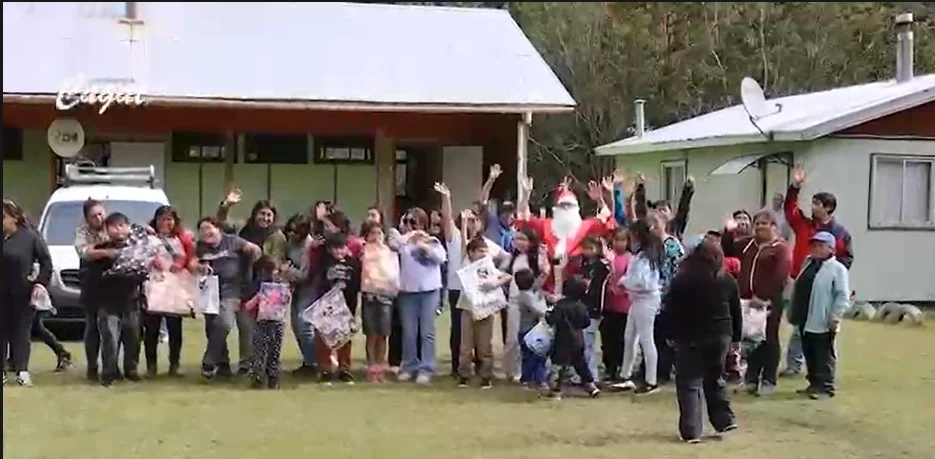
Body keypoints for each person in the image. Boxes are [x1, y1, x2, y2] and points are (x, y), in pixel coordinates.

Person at [665, 240, 741, 443]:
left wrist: (670, 334)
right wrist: (736, 339)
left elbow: (671, 309)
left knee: (689, 382)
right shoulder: (726, 280)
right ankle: (724, 419)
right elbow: (736, 312)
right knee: (714, 377)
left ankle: (691, 430)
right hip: (720, 335)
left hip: (690, 336)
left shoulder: (682, 280)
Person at [782, 164, 854, 377]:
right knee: (798, 325)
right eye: (813, 203)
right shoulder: (805, 225)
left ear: (828, 208)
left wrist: (832, 276)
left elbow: (846, 257)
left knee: (823, 332)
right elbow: (790, 211)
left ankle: (825, 372)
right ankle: (794, 365)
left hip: (824, 286)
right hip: (802, 280)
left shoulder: (840, 233)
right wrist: (795, 187)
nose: (813, 207)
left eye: (817, 204)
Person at [434, 183, 506, 378]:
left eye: (475, 220)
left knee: (483, 334)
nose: (473, 222)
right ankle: (458, 368)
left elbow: (506, 257)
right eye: (469, 220)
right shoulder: (455, 237)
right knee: (459, 331)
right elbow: (447, 219)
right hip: (459, 290)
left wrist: (498, 275)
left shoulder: (485, 244)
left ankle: (482, 369)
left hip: (482, 292)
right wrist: (447, 198)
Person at [721, 209, 791, 395]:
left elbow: (781, 275)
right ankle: (752, 378)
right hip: (747, 299)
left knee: (769, 339)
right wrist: (728, 231)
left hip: (769, 301)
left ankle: (769, 380)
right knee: (752, 340)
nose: (760, 227)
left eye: (764, 224)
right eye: (757, 223)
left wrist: (765, 296)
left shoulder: (780, 248)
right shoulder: (749, 244)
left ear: (773, 227)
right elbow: (728, 249)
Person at [514, 175, 614, 291]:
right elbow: (524, 218)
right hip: (550, 287)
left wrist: (600, 200)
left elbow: (607, 219)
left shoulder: (586, 226)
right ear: (556, 209)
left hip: (577, 288)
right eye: (563, 206)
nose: (566, 209)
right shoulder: (546, 225)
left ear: (576, 209)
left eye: (569, 206)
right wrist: (526, 196)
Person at [85, 213, 147, 387]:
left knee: (133, 337)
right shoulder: (100, 250)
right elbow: (92, 276)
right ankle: (109, 373)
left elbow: (144, 273)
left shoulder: (138, 248)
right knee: (110, 339)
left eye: (122, 225)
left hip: (131, 301)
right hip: (108, 303)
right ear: (107, 229)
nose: (118, 229)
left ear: (128, 228)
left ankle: (131, 370)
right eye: (113, 226)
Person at [196, 216, 262, 380]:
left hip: (234, 291)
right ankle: (222, 365)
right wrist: (201, 266)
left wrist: (253, 251)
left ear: (218, 228)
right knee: (213, 327)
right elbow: (195, 262)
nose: (206, 232)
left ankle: (215, 361)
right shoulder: (201, 247)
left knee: (230, 324)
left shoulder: (233, 241)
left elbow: (255, 251)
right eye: (202, 230)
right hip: (210, 292)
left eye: (209, 228)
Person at [788, 232, 850, 400]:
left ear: (831, 249)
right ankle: (814, 383)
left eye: (821, 245)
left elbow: (842, 295)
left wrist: (835, 316)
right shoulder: (808, 263)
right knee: (809, 352)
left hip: (823, 319)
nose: (816, 248)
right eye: (814, 245)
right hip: (805, 316)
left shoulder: (838, 269)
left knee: (823, 354)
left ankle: (825, 387)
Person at [2, 199, 52, 387]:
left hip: (22, 293)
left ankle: (22, 371)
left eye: (4, 217)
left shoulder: (30, 237)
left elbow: (46, 262)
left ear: (14, 218)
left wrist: (40, 283)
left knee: (21, 333)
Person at [144, 205, 196, 378]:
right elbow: (140, 256)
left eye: (169, 219)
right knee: (152, 327)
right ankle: (151, 366)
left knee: (175, 327)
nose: (166, 223)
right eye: (162, 219)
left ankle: (175, 365)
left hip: (174, 286)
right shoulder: (148, 238)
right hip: (154, 285)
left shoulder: (181, 238)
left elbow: (189, 257)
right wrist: (152, 261)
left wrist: (180, 264)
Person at [396, 208, 447, 384]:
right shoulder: (403, 242)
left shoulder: (432, 241)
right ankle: (409, 366)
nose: (412, 225)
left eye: (415, 221)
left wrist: (422, 244)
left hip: (429, 291)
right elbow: (393, 243)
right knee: (409, 332)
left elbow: (441, 258)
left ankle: (426, 368)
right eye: (409, 221)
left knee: (427, 332)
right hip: (407, 291)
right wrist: (406, 235)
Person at [617, 219, 664, 395]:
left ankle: (651, 381)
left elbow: (644, 283)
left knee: (646, 339)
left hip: (646, 300)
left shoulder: (647, 257)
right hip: (637, 300)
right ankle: (625, 375)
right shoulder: (642, 255)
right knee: (629, 337)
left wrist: (624, 282)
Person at [457, 238, 512, 389]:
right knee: (466, 346)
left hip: (486, 309)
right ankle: (464, 375)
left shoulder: (488, 267)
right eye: (480, 251)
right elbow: (463, 248)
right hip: (468, 309)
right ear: (471, 253)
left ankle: (486, 376)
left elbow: (506, 276)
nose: (483, 254)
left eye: (485, 251)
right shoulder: (466, 265)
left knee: (485, 345)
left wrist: (495, 283)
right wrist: (464, 223)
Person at [502, 227, 551, 382]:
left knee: (530, 338)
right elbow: (503, 272)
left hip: (531, 301)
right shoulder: (512, 257)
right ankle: (512, 371)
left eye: (523, 239)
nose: (519, 242)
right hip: (513, 300)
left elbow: (543, 275)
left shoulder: (536, 257)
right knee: (512, 339)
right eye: (516, 239)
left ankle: (530, 373)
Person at [542, 277, 600, 400]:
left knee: (558, 366)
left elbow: (552, 320)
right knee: (581, 364)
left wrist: (548, 314)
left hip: (563, 341)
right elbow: (586, 323)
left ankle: (555, 391)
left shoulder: (560, 306)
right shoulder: (581, 307)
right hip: (578, 340)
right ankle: (591, 386)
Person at [315, 233, 362, 385]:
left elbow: (356, 284)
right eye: (335, 248)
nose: (339, 252)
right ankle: (325, 370)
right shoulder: (323, 263)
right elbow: (319, 282)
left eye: (341, 248)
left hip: (346, 305)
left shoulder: (353, 263)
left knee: (344, 338)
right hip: (328, 306)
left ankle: (345, 369)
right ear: (329, 249)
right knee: (325, 338)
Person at [360, 220, 400, 383]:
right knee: (371, 334)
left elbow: (393, 275)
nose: (376, 236)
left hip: (385, 296)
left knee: (383, 333)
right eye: (372, 233)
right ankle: (371, 367)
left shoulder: (390, 253)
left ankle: (381, 366)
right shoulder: (364, 251)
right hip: (369, 295)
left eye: (379, 233)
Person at [74, 198, 110, 381]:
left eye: (100, 213)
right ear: (87, 218)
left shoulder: (112, 225)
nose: (98, 218)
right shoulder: (82, 231)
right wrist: (106, 252)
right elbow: (84, 252)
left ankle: (110, 367)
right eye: (93, 216)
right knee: (92, 326)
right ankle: (92, 366)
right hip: (91, 283)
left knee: (109, 327)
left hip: (112, 283)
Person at [649, 211, 685, 385]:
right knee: (653, 335)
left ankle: (664, 370)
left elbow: (677, 269)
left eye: (656, 223)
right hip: (652, 296)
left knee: (664, 336)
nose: (652, 227)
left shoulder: (671, 244)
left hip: (667, 296)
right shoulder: (651, 246)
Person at [281, 214, 319, 377]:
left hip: (310, 289)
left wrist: (287, 269)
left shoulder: (309, 246)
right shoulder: (291, 244)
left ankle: (314, 362)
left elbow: (305, 274)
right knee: (296, 326)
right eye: (290, 231)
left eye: (295, 232)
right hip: (295, 288)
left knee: (305, 325)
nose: (291, 234)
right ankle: (307, 360)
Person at [243, 255, 287, 389]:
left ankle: (273, 377)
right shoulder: (257, 285)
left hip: (277, 322)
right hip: (260, 322)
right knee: (259, 351)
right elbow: (247, 306)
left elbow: (286, 301)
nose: (272, 275)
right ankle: (258, 377)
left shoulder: (281, 285)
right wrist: (258, 298)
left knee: (274, 350)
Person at [578, 236, 610, 381]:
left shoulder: (601, 266)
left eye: (591, 248)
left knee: (588, 342)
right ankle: (586, 375)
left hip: (595, 307)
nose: (587, 251)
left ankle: (592, 376)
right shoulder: (584, 265)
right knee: (585, 343)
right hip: (585, 306)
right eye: (585, 248)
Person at [601, 226, 632, 382]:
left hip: (623, 306)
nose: (619, 243)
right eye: (616, 240)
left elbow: (629, 279)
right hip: (608, 304)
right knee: (607, 338)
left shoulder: (629, 258)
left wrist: (618, 288)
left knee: (621, 338)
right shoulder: (608, 256)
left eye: (623, 240)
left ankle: (620, 366)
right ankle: (609, 367)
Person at [515, 268, 548, 390]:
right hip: (529, 332)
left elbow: (538, 287)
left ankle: (531, 379)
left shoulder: (526, 293)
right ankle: (535, 380)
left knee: (530, 357)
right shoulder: (526, 296)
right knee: (536, 356)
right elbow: (540, 310)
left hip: (527, 330)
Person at [479, 164, 515, 252]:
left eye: (511, 213)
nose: (510, 216)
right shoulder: (491, 222)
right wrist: (491, 180)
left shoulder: (514, 230)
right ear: (500, 214)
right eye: (506, 213)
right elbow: (483, 200)